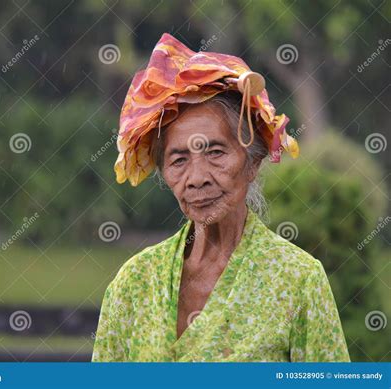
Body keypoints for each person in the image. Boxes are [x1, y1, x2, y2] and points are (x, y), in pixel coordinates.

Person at [92, 33, 350, 362]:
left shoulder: (297, 280)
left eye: (215, 152)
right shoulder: (135, 282)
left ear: (252, 162)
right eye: (178, 160)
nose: (197, 178)